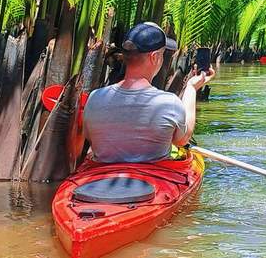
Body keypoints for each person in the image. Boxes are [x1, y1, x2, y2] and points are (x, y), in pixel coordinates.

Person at [82, 22, 214, 163]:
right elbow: (182, 140)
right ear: (155, 57)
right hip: (152, 179)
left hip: (101, 177)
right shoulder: (169, 103)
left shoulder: (95, 98)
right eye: (163, 54)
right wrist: (191, 88)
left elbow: (89, 137)